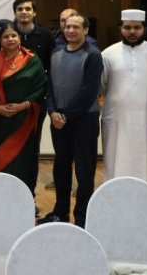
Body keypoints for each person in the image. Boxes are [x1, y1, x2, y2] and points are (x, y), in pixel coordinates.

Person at [41, 13, 103, 227]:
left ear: (86, 30)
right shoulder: (56, 53)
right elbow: (49, 87)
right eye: (67, 27)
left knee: (84, 171)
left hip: (84, 120)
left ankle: (82, 218)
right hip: (58, 120)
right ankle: (60, 212)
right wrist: (52, 112)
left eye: (76, 27)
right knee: (61, 168)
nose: (71, 31)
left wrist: (65, 115)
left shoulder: (93, 55)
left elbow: (89, 92)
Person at [99, 9, 147, 193]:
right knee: (116, 169)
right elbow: (101, 86)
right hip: (117, 122)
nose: (132, 32)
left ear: (144, 28)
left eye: (136, 27)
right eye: (127, 27)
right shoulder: (107, 54)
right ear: (120, 28)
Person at [0, 22, 47, 194]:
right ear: (0, 40)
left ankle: (24, 199)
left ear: (20, 38)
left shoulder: (32, 59)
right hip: (0, 121)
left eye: (13, 35)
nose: (10, 39)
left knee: (24, 159)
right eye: (6, 36)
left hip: (25, 119)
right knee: (1, 157)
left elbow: (41, 87)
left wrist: (23, 105)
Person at [13, 0, 56, 73]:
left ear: (34, 13)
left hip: (39, 83)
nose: (24, 12)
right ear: (15, 13)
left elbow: (51, 65)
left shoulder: (47, 36)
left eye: (28, 9)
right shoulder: (8, 36)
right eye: (20, 9)